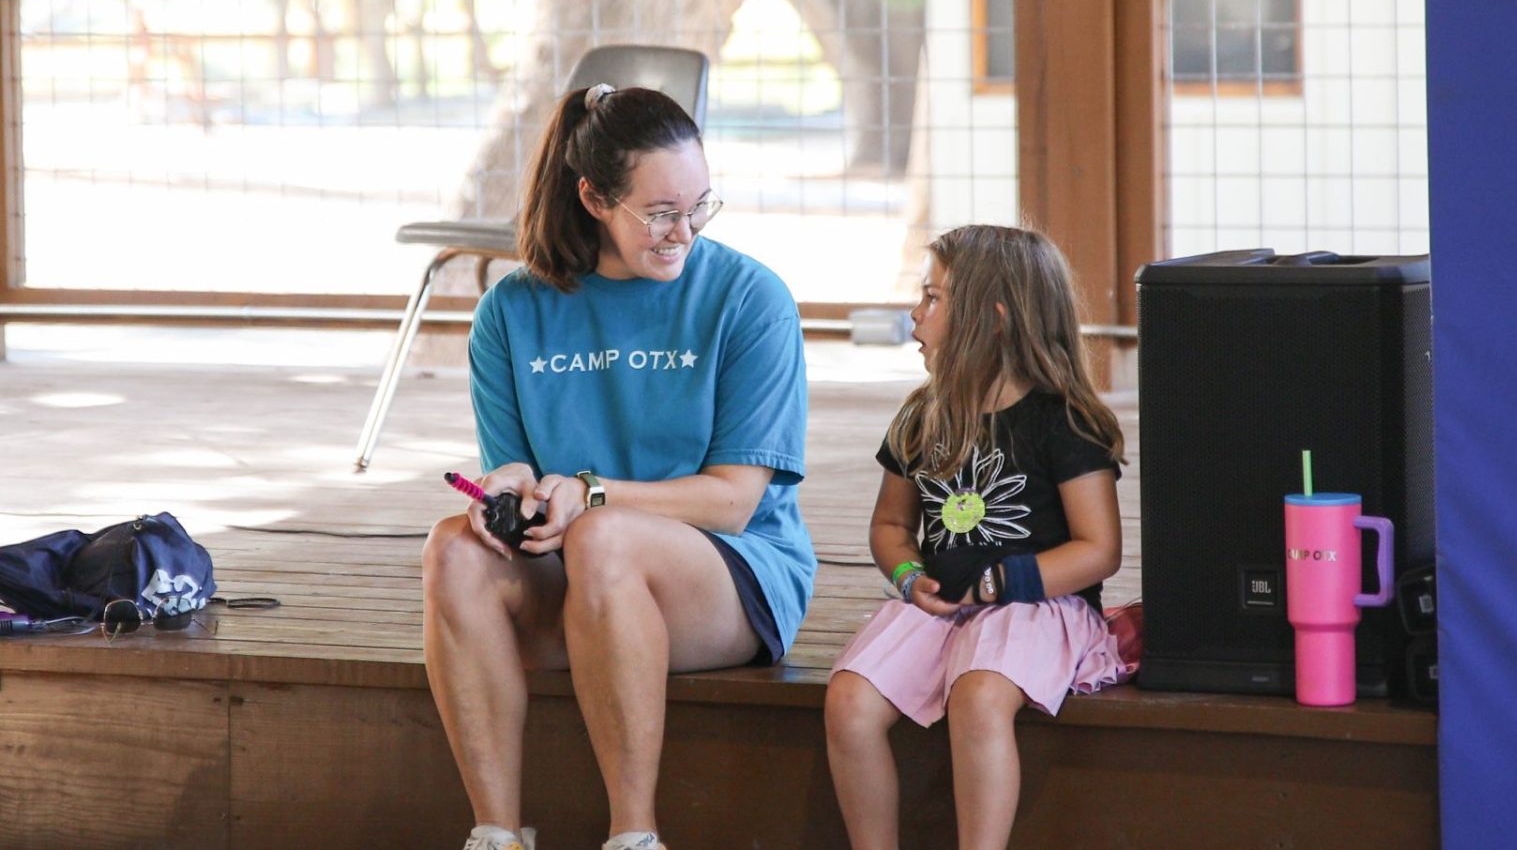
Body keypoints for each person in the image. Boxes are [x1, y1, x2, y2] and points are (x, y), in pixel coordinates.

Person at [422, 83, 815, 850]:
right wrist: (505, 489)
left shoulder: (751, 298)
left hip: (730, 577)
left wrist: (592, 495)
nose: (685, 231)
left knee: (605, 538)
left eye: (700, 206)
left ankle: (634, 838)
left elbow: (733, 502)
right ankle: (496, 834)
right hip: (580, 578)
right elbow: (515, 465)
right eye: (661, 213)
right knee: (452, 552)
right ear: (595, 199)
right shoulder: (511, 311)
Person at [824, 224, 1131, 850]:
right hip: (944, 607)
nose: (915, 314)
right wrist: (911, 579)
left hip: (1037, 605)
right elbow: (890, 525)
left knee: (980, 695)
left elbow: (1099, 549)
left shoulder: (1063, 421)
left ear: (991, 320)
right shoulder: (922, 415)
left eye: (933, 298)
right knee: (849, 701)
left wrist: (1001, 582)